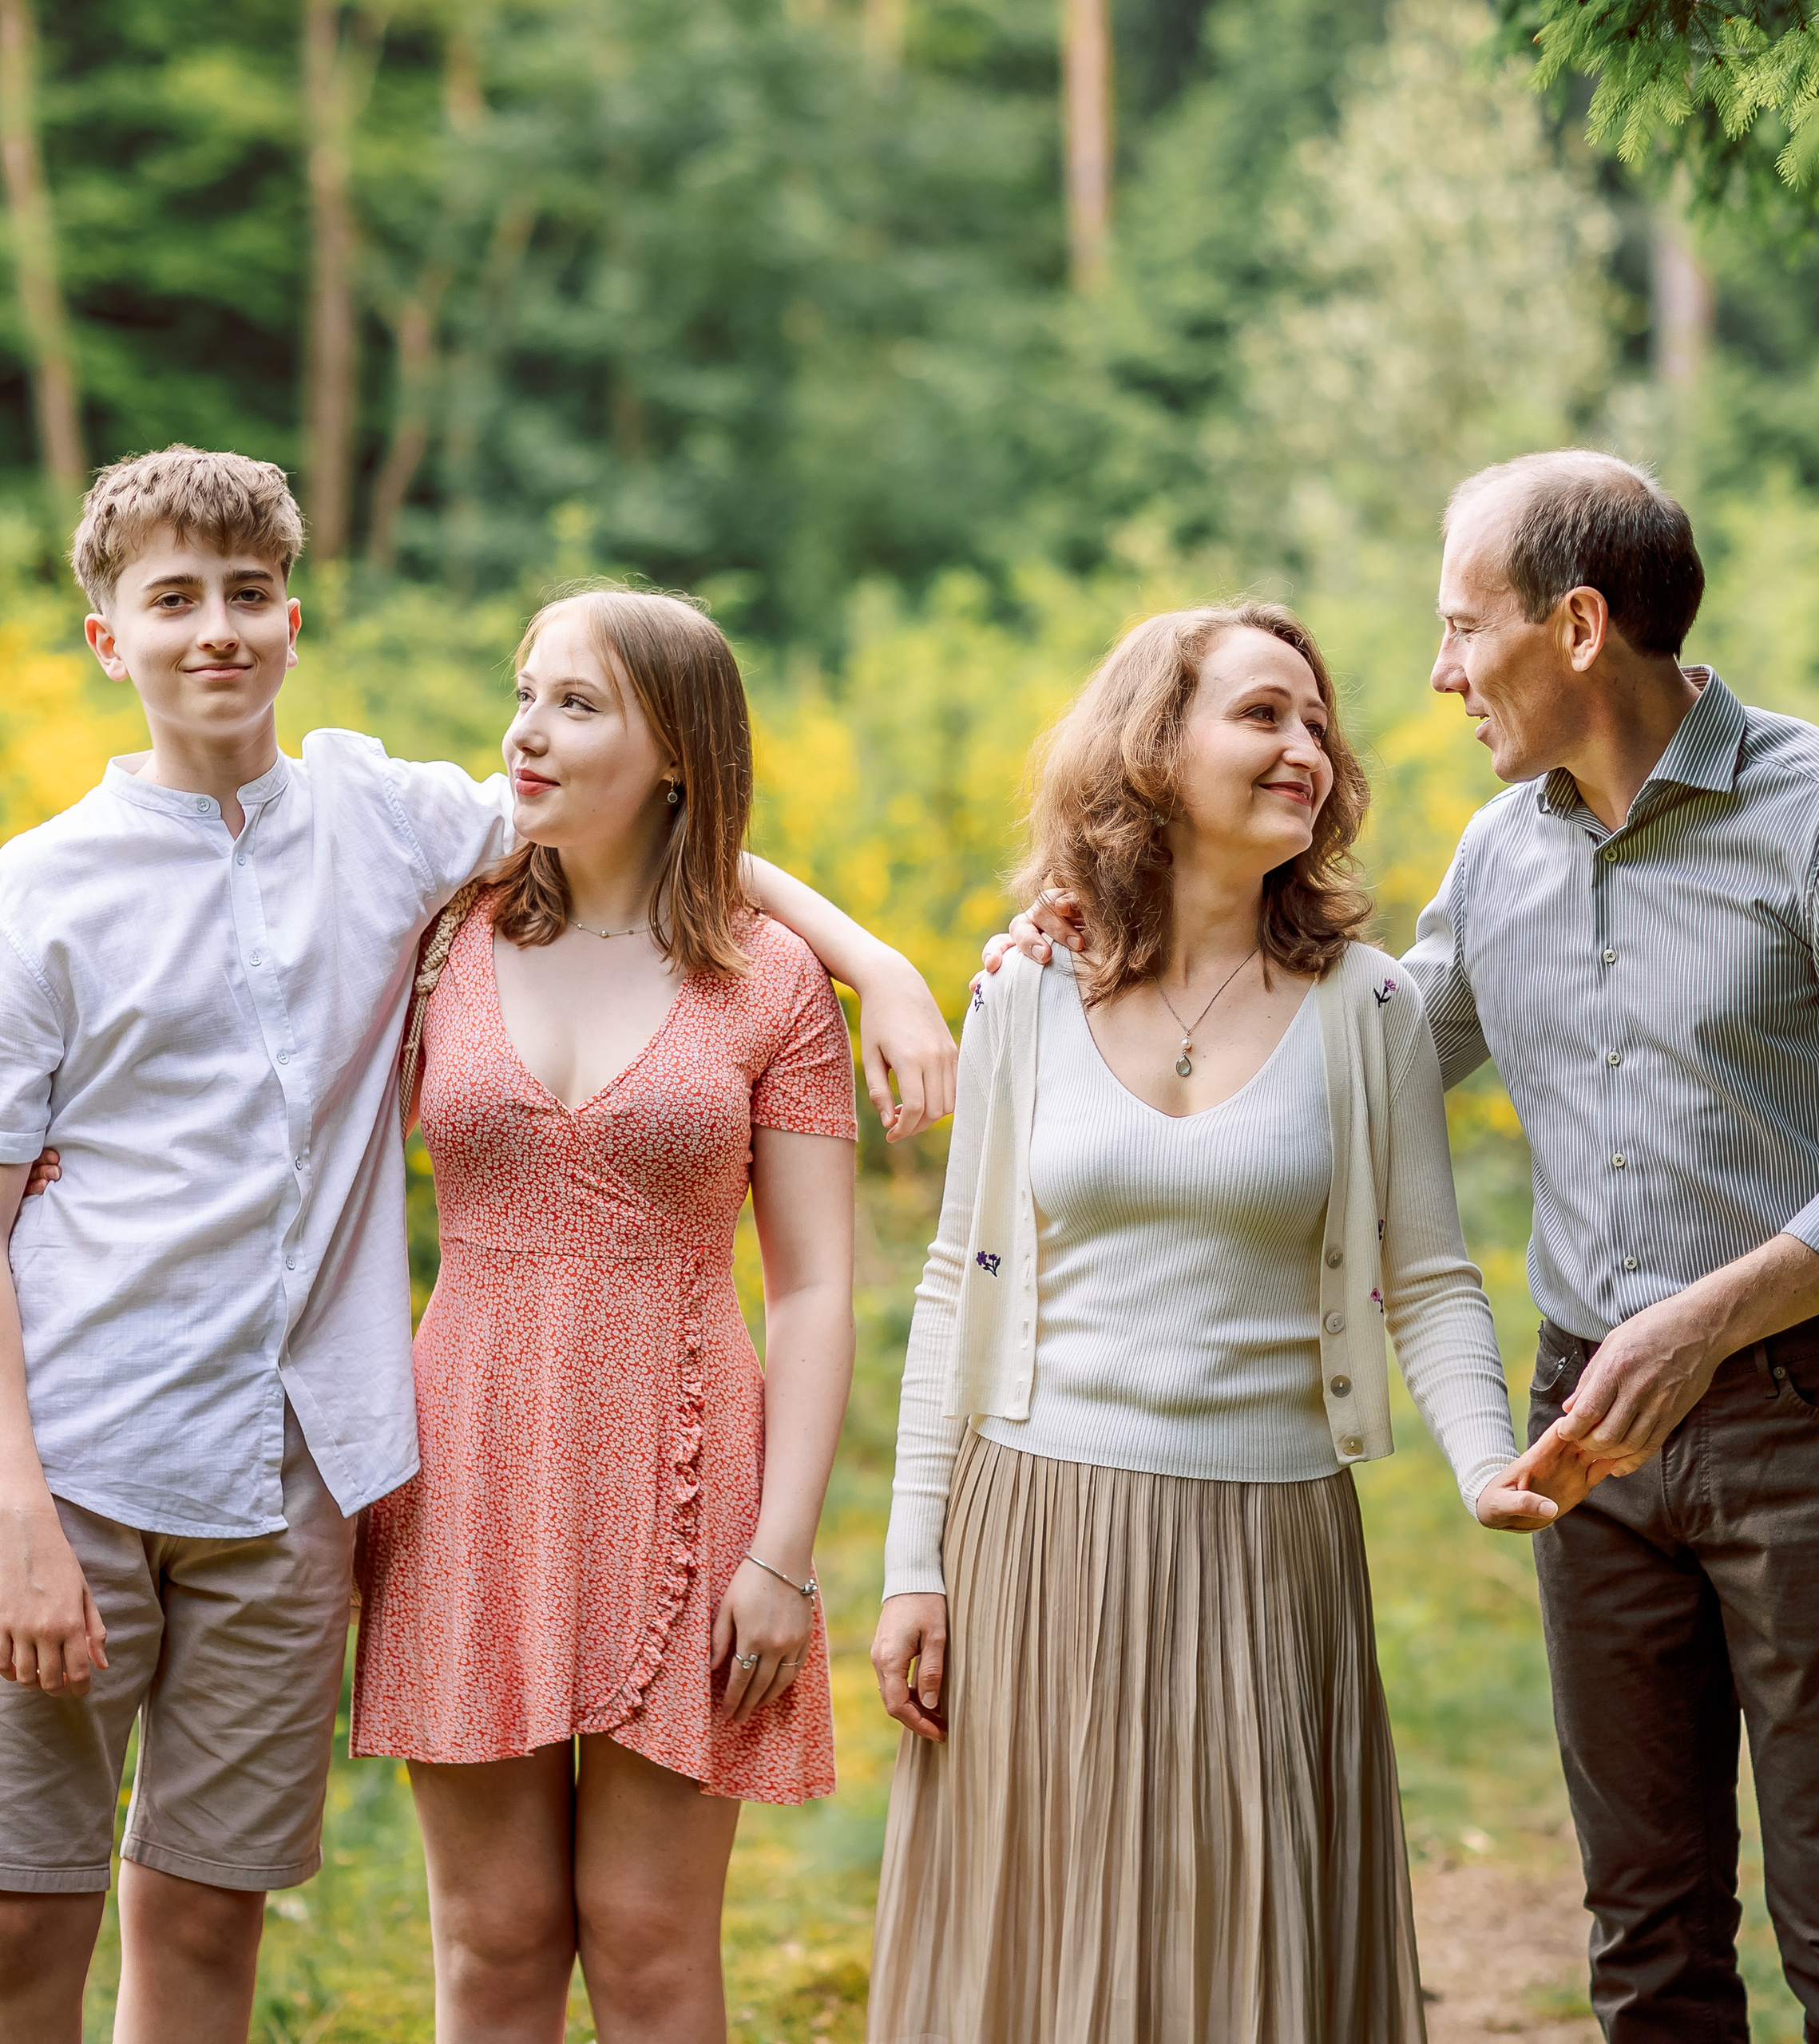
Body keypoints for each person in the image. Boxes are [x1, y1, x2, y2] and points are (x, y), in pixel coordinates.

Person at [996, 454, 1819, 2044]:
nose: (1436, 671)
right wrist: (1100, 964)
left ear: (1580, 624)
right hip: (1586, 1439)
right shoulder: (1494, 857)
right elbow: (1341, 1067)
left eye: (1461, 625)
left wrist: (1707, 1318)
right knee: (1643, 1932)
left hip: (1811, 1430)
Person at [0, 446, 954, 2044]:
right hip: (247, 1461)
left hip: (470, 1467)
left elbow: (672, 855)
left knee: (280, 1921)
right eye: (173, 599)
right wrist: (13, 1498)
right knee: (93, 1923)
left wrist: (873, 958)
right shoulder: (116, 899)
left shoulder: (425, 849)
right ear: (111, 637)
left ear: (294, 618)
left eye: (247, 596)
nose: (217, 631)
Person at [871, 600, 1599, 2044]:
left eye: (1316, 722)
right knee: (1048, 1952)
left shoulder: (1371, 1005)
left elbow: (1432, 1274)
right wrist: (912, 1563)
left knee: (1239, 1954)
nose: (1305, 748)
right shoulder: (1028, 990)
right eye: (1262, 715)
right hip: (1037, 1535)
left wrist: (1483, 1466)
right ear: (1153, 748)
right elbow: (959, 1275)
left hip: (1271, 1544)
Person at [351, 588, 857, 2043]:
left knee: (646, 1940)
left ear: (679, 750)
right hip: (466, 1459)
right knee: (495, 1943)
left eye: (578, 704)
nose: (527, 731)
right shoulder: (443, 934)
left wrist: (785, 1552)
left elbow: (817, 1281)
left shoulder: (769, 981)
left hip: (688, 1473)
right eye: (526, 693)